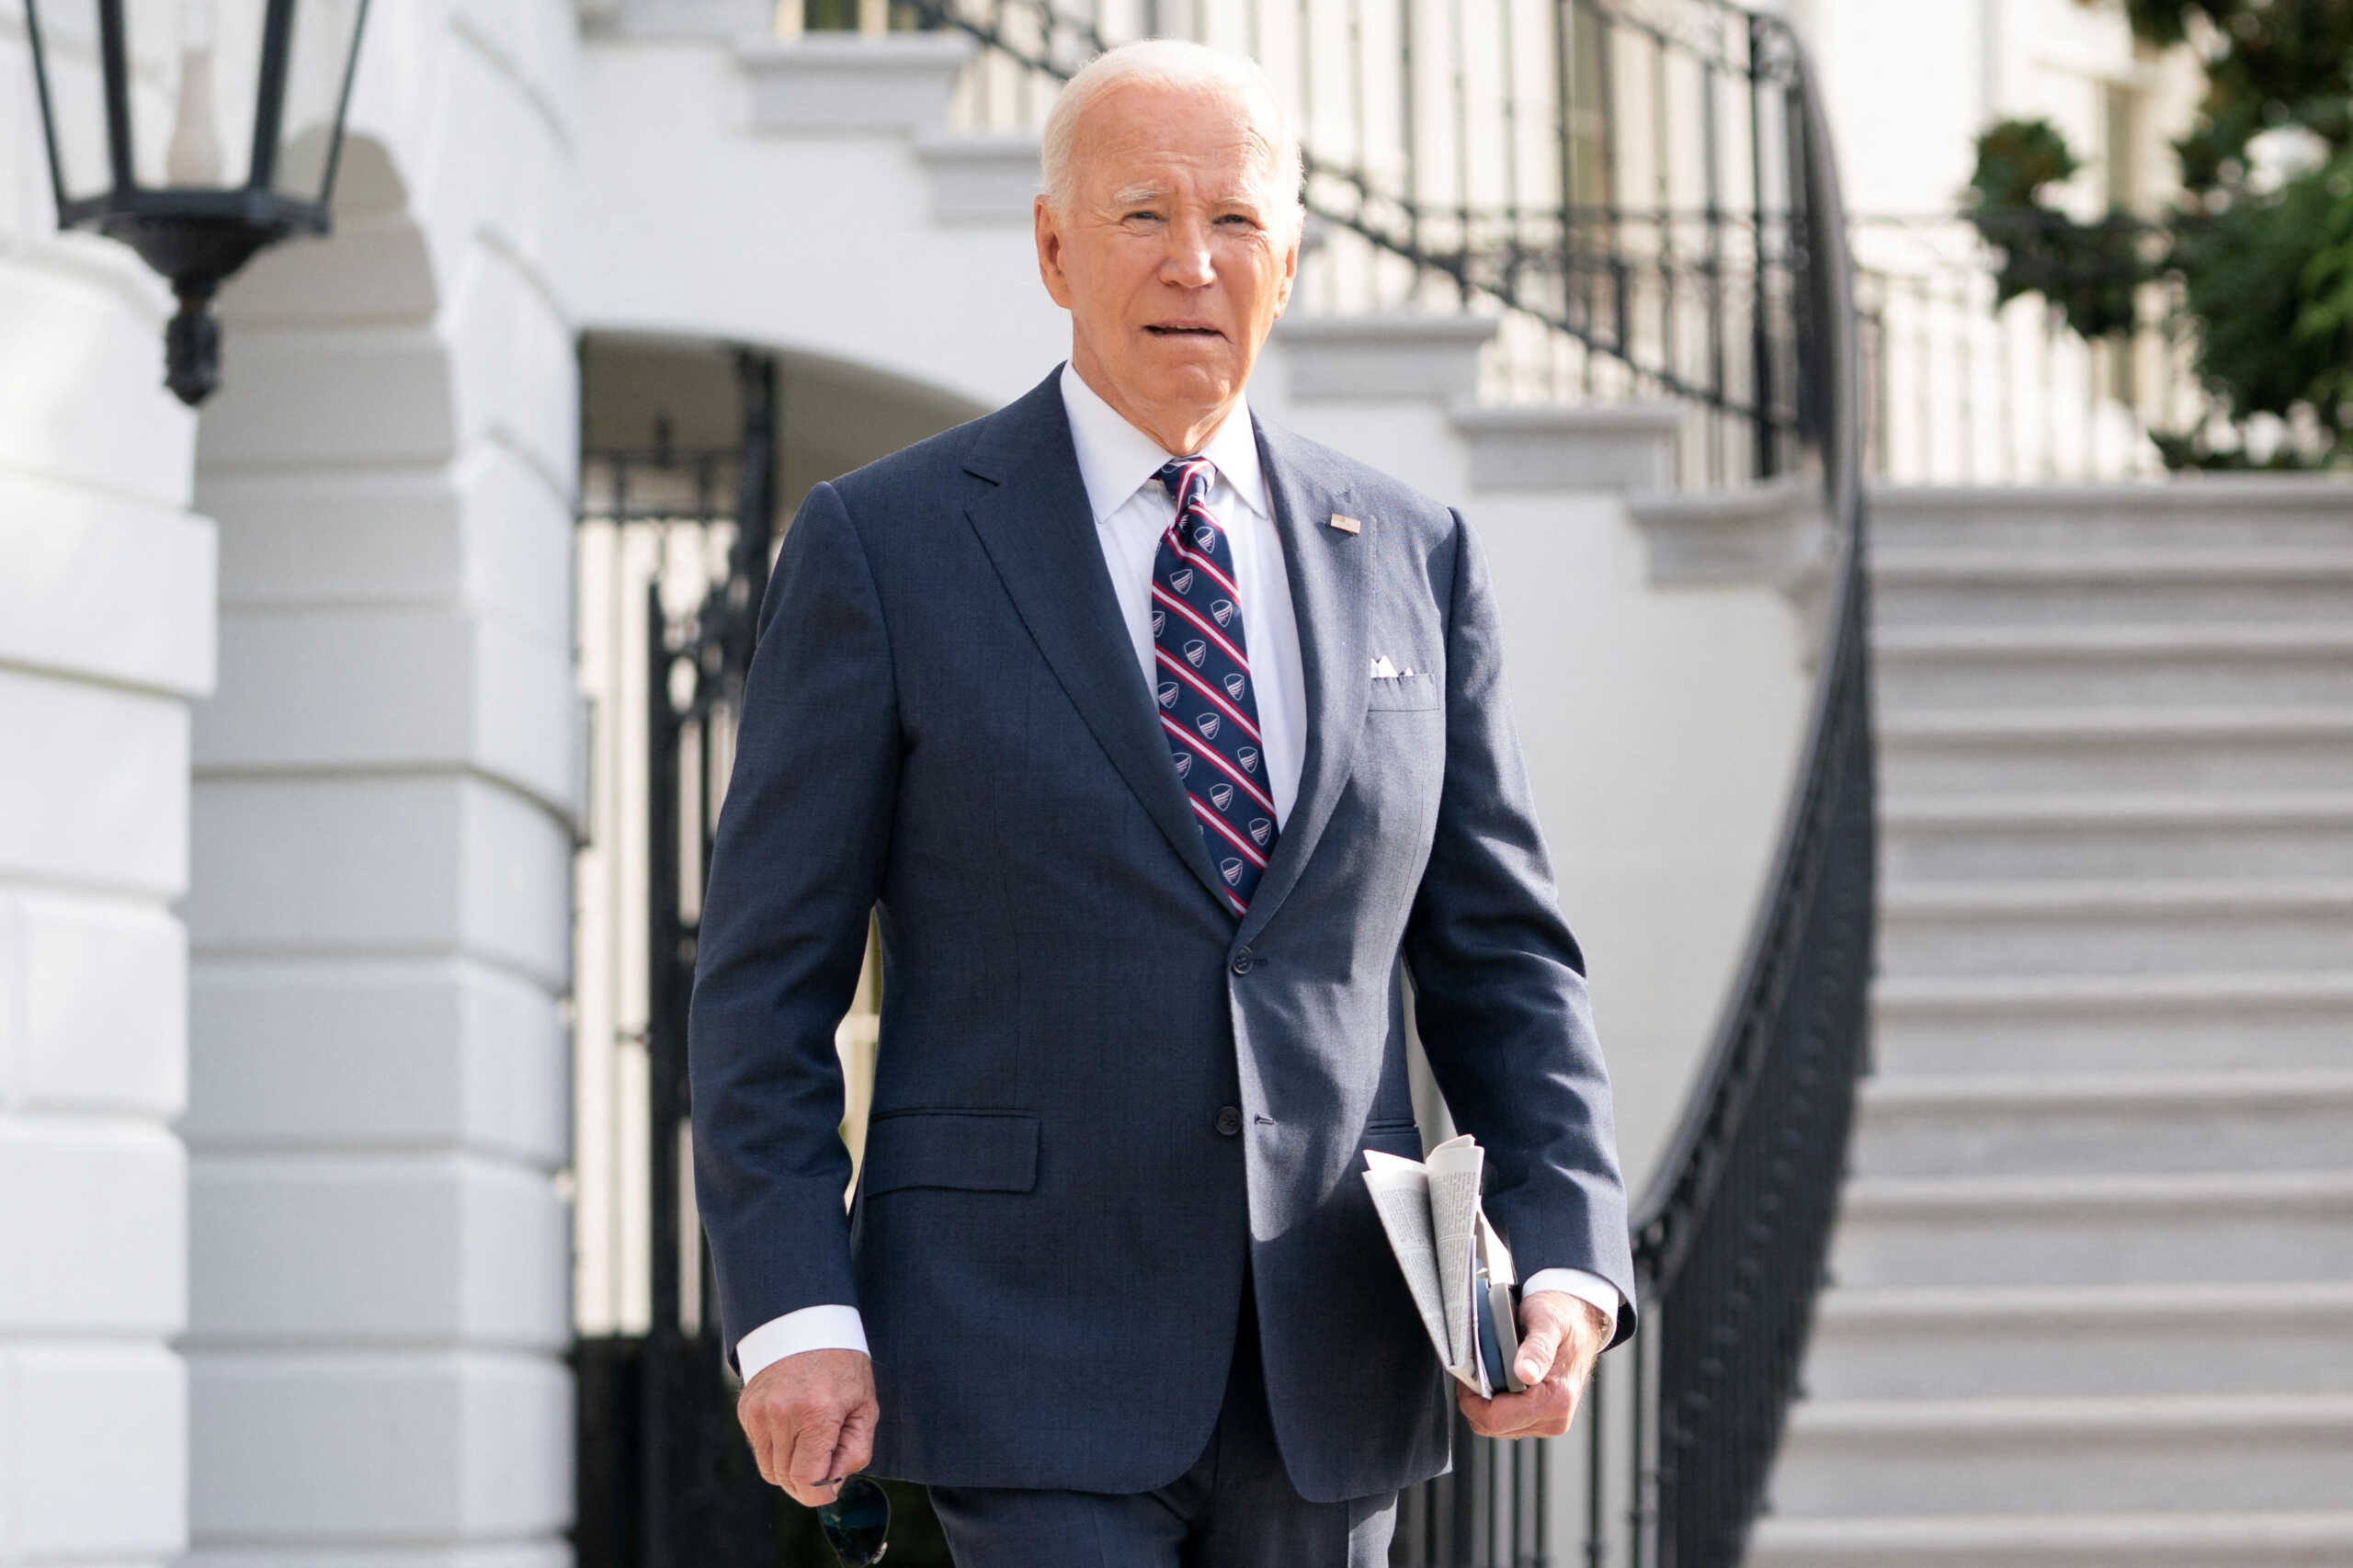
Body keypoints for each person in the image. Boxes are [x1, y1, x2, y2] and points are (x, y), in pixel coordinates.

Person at [687, 38, 1635, 1566]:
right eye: (1142, 215)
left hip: (1336, 1356)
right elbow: (761, 985)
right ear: (1055, 249)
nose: (1193, 261)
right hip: (1017, 1342)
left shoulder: (1416, 553)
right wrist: (795, 1309)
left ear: (1291, 257)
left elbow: (1507, 961)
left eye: (1237, 220)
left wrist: (1570, 1257)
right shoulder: (886, 546)